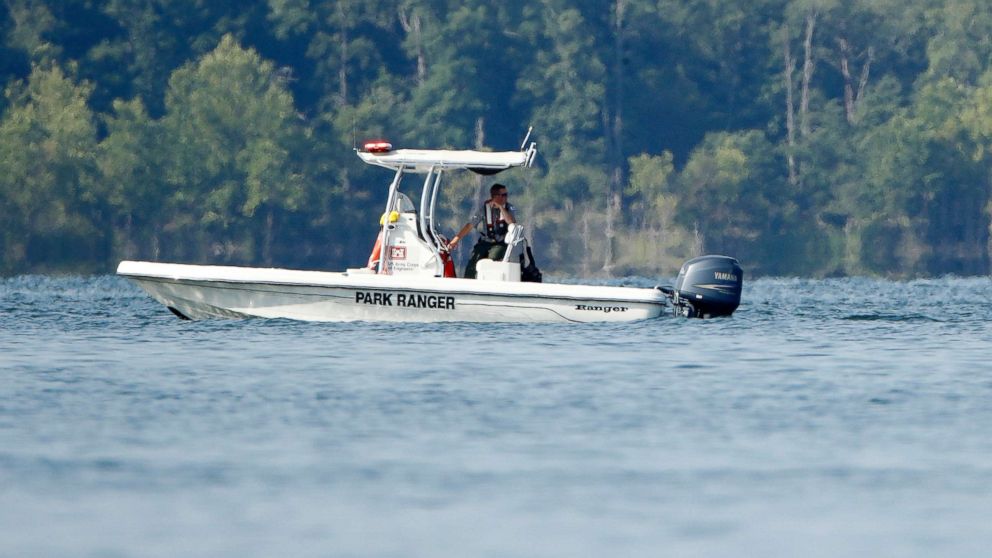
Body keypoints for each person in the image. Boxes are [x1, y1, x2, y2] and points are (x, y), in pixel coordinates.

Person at [447, 183, 516, 279]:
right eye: (503, 195)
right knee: (473, 263)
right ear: (495, 196)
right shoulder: (485, 208)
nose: (505, 197)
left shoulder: (509, 208)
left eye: (506, 195)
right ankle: (468, 283)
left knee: (492, 260)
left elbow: (511, 222)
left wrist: (501, 207)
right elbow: (470, 225)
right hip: (485, 242)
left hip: (500, 243)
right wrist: (455, 240)